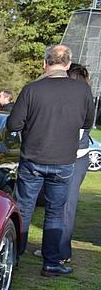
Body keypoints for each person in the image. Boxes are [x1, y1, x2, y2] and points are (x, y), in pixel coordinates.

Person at [6, 44, 94, 277]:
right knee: (55, 212)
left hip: (33, 158)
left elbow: (13, 124)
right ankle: (51, 263)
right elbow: (88, 122)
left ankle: (14, 255)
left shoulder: (32, 89)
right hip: (64, 160)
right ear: (68, 64)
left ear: (45, 63)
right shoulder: (82, 91)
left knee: (24, 208)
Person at [58, 63, 93, 264]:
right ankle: (56, 248)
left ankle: (62, 252)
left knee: (66, 206)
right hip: (73, 156)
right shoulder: (83, 97)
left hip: (75, 157)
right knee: (59, 205)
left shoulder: (80, 101)